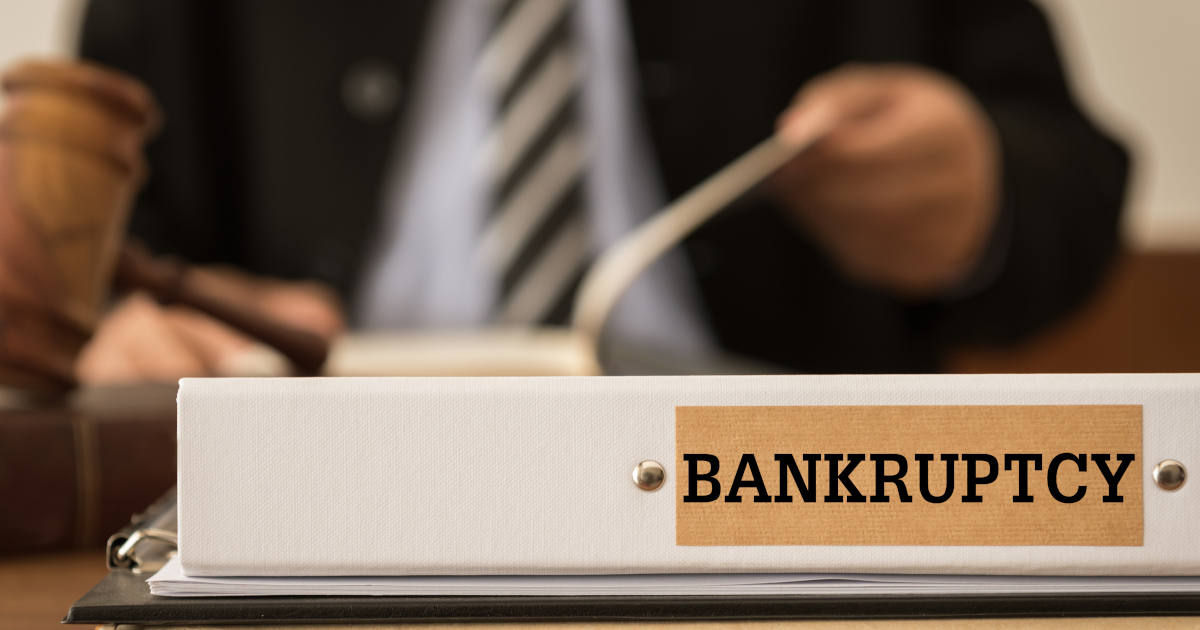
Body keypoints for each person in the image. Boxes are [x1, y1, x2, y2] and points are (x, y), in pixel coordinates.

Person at [74, 0, 1128, 381]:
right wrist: (121, 321)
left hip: (772, 514)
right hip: (316, 499)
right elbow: (114, 229)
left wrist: (979, 196)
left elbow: (1072, 189)